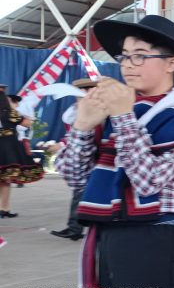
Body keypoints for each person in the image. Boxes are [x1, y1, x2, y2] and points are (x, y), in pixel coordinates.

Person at [55, 15, 174, 288]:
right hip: (110, 234)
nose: (128, 65)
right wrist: (82, 125)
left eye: (140, 55)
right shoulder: (121, 106)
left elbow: (148, 183)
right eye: (124, 56)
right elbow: (76, 179)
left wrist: (121, 116)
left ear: (171, 63)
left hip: (156, 236)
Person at [50, 78, 99, 241]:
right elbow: (73, 135)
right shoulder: (74, 112)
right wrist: (63, 144)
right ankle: (75, 227)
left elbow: (91, 137)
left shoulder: (97, 111)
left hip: (94, 160)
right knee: (79, 193)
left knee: (82, 193)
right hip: (80, 160)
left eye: (81, 95)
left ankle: (76, 228)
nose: (78, 99)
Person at [0, 85, 44, 218]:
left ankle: (4, 209)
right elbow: (27, 123)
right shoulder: (9, 112)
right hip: (8, 147)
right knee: (5, 179)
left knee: (3, 180)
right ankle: (4, 208)